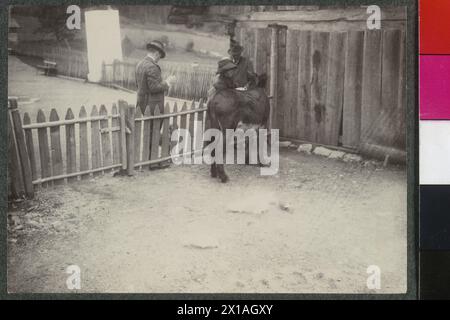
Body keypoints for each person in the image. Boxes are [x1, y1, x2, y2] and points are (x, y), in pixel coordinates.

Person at [135, 40, 176, 115]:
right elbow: (154, 87)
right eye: (160, 57)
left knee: (142, 126)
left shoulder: (139, 64)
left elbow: (138, 85)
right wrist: (168, 82)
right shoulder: (152, 66)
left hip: (140, 105)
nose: (159, 59)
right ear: (157, 53)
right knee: (153, 126)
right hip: (152, 108)